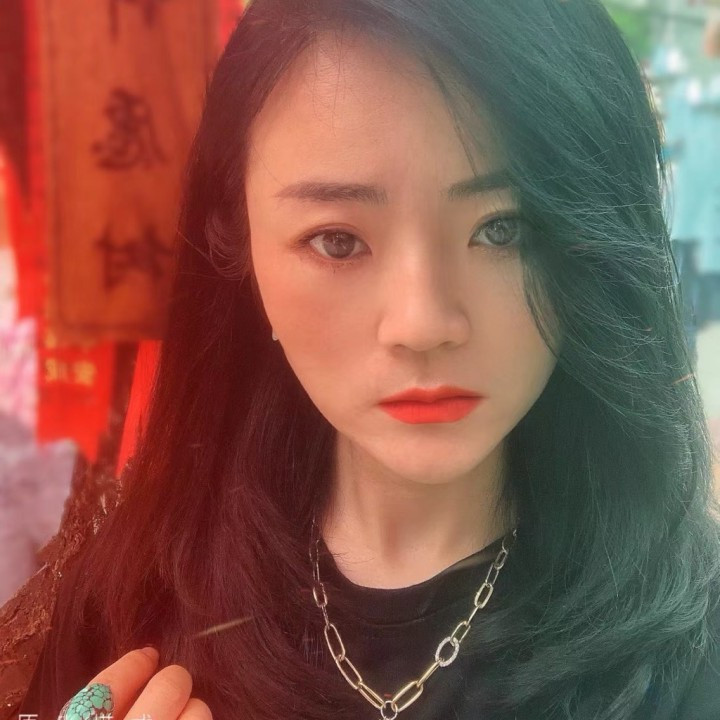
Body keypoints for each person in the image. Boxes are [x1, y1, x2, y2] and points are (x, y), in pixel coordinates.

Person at [16, 1, 720, 719]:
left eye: (502, 229)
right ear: (240, 241)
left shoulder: (691, 648)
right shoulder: (137, 594)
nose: (423, 324)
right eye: (338, 241)